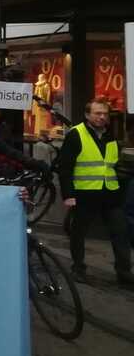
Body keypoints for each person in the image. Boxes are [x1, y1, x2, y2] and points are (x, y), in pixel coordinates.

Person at [56, 98, 134, 285]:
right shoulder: (76, 134)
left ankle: (124, 272)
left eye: (105, 114)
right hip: (85, 193)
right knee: (79, 233)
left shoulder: (110, 134)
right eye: (98, 113)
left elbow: (112, 164)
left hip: (109, 194)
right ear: (87, 115)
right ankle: (78, 268)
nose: (102, 117)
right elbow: (65, 167)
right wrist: (68, 195)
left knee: (120, 232)